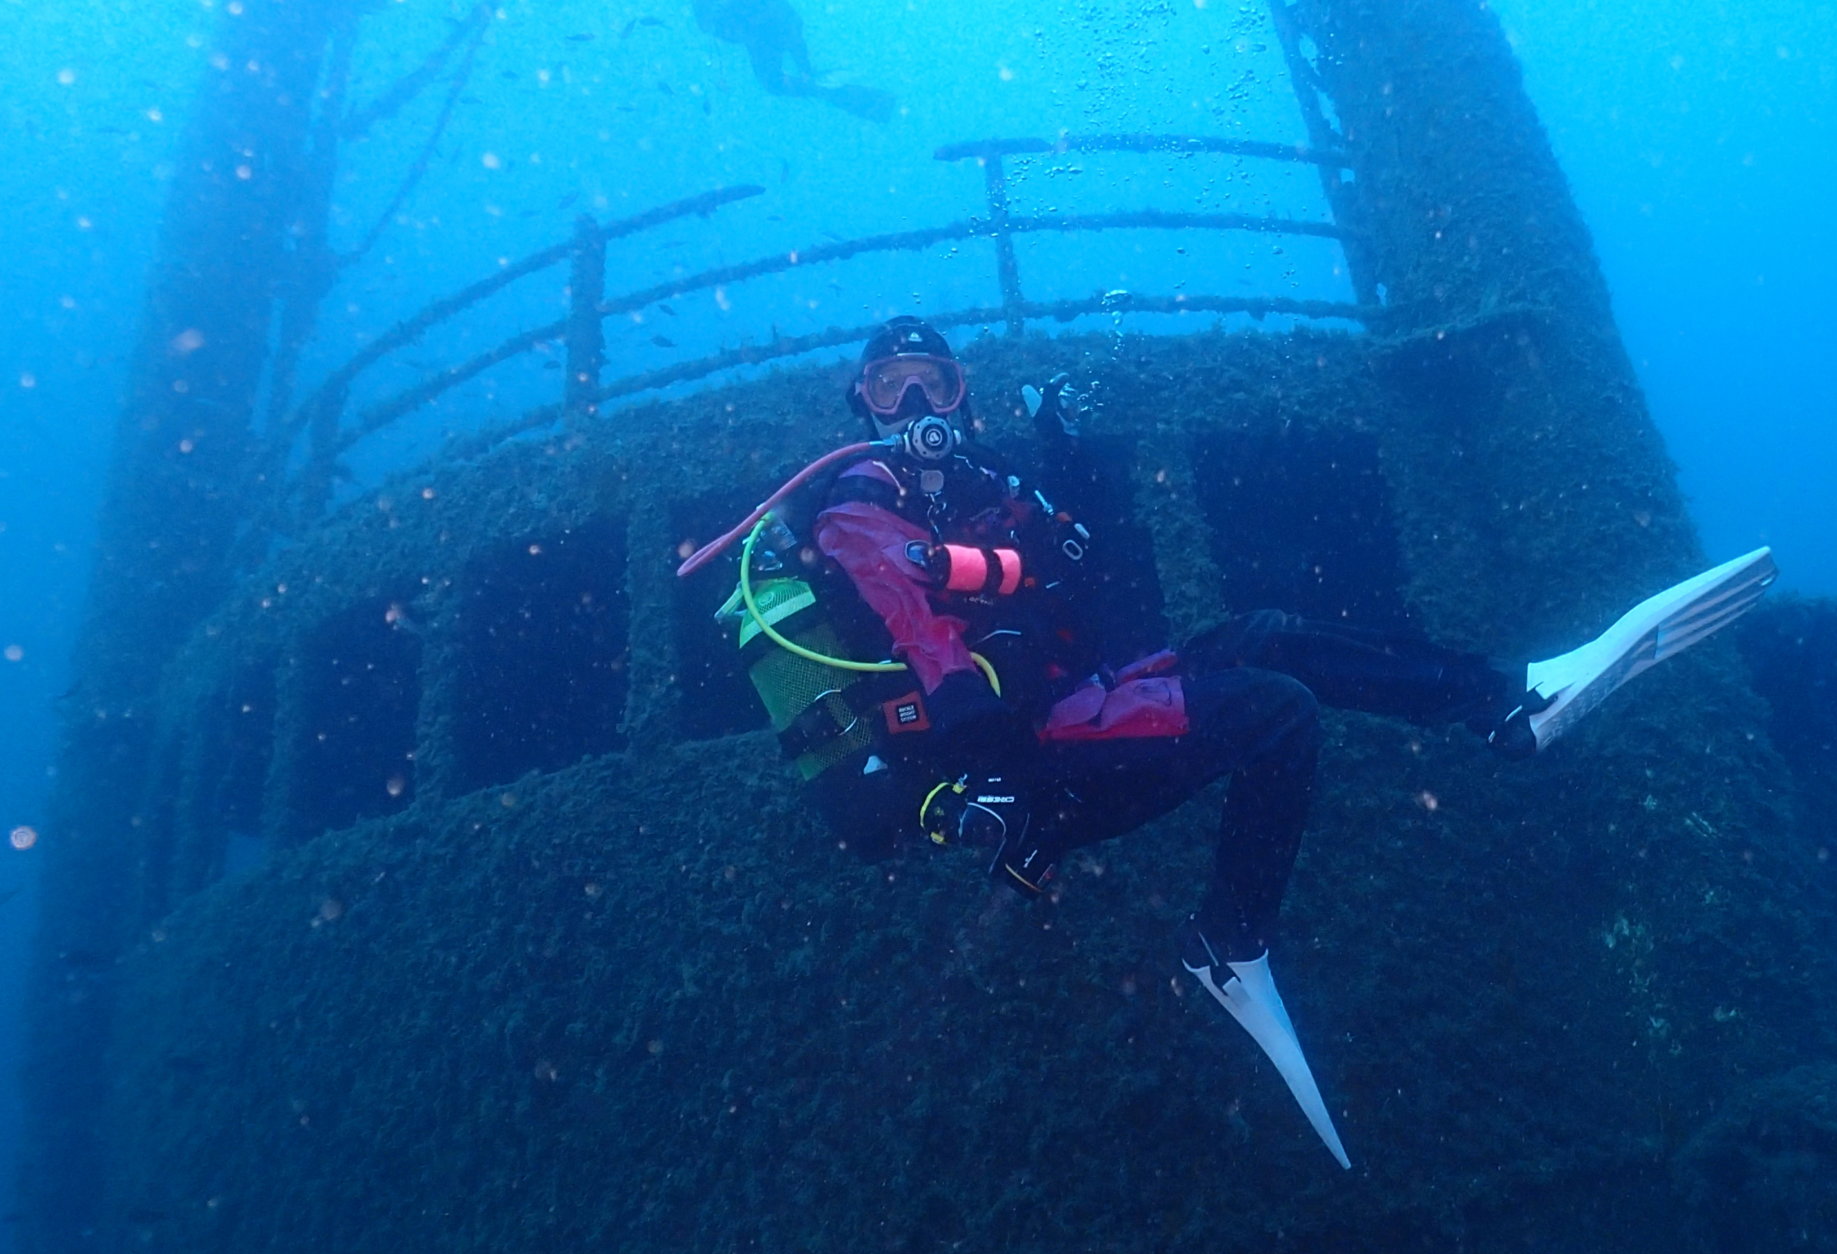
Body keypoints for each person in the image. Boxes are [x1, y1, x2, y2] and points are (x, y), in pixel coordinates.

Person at [681, 318, 1777, 1167]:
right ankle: (1229, 941)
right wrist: (968, 748)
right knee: (1275, 707)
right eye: (892, 387)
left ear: (962, 394)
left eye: (935, 382)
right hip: (1026, 769)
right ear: (862, 405)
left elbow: (1072, 564)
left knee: (1267, 631)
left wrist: (1061, 457)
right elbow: (911, 621)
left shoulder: (978, 491)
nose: (918, 404)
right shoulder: (854, 504)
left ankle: (1507, 702)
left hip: (1074, 706)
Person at [690, 0, 894, 123]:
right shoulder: (729, 20)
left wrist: (803, 65)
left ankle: (866, 99)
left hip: (773, 26)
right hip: (765, 31)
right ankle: (862, 99)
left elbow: (786, 23)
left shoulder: (761, 18)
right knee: (775, 83)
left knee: (783, 80)